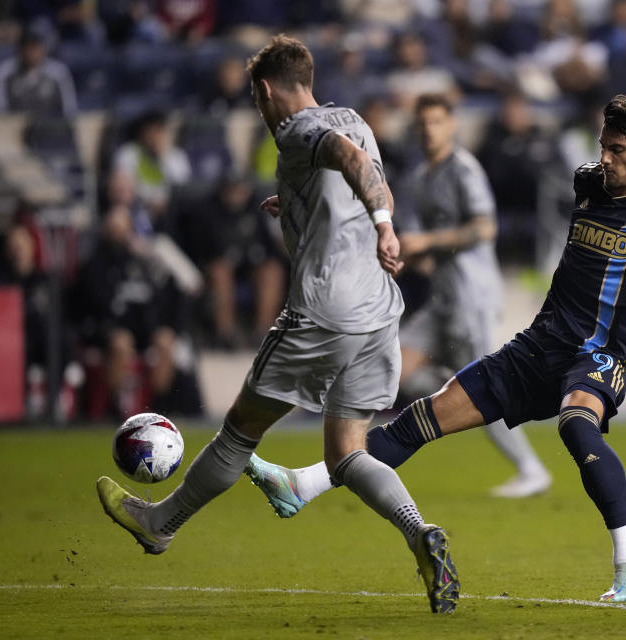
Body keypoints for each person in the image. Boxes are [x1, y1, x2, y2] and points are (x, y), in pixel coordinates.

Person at [237, 90, 626, 603]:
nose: (607, 158)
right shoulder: (586, 183)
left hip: (599, 354)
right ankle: (306, 483)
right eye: (604, 145)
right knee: (424, 416)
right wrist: (317, 211)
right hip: (539, 346)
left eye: (620, 149)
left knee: (577, 424)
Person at [95, 35, 460, 615]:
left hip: (323, 311)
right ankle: (420, 532)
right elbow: (366, 173)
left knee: (240, 429)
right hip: (377, 312)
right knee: (346, 453)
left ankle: (159, 523)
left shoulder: (296, 130)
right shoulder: (356, 117)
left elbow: (352, 162)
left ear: (266, 92)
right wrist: (293, 200)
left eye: (257, 101)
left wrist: (386, 227)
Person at [249, 93, 551, 501]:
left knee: (481, 390)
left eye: (436, 122)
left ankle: (530, 467)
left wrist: (426, 241)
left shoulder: (463, 169)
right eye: (423, 123)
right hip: (441, 298)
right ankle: (341, 463)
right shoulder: (419, 176)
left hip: (470, 298)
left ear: (452, 126)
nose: (429, 129)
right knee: (396, 368)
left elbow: (484, 228)